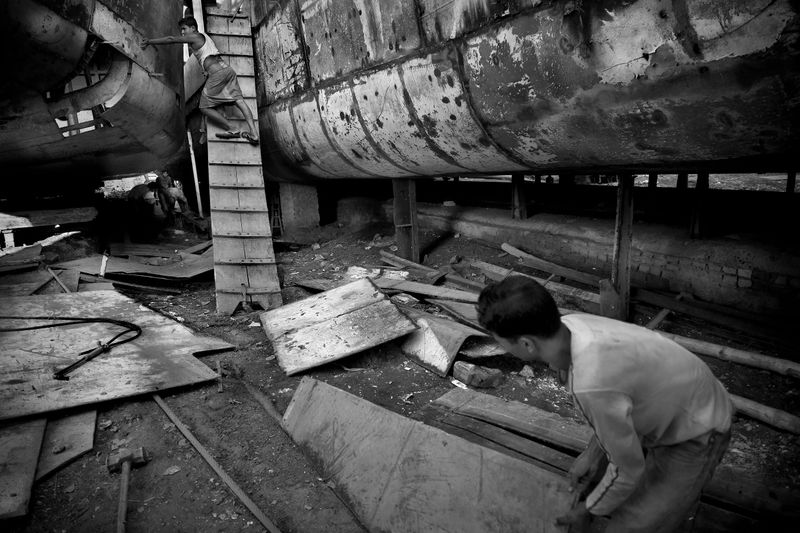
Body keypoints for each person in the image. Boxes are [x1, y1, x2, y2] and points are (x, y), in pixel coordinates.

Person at [477, 276, 733, 533]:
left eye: (501, 342)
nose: (502, 348)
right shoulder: (570, 325)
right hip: (679, 398)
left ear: (526, 344)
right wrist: (593, 455)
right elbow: (615, 397)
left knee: (631, 526)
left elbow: (628, 469)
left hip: (699, 429)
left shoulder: (591, 382)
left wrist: (588, 509)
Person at [143, 16, 259, 145]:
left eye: (184, 29)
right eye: (181, 30)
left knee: (204, 107)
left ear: (193, 28)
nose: (182, 33)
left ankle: (232, 129)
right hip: (227, 70)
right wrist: (206, 69)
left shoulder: (195, 36)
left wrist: (149, 41)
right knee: (240, 101)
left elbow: (171, 39)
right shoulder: (205, 37)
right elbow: (209, 55)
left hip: (217, 74)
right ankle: (254, 134)